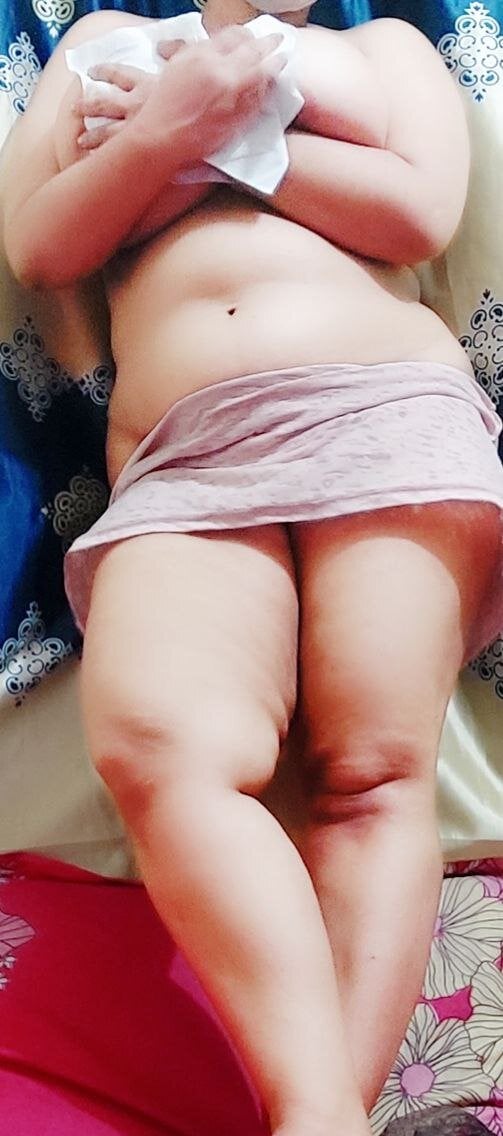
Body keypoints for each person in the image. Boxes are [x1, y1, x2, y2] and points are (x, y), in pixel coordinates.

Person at [3, 2, 503, 1134]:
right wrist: (161, 131)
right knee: (158, 749)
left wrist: (215, 135)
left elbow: (419, 213)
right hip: (183, 455)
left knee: (370, 771)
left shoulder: (383, 50)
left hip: (388, 417)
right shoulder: (103, 45)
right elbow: (41, 246)